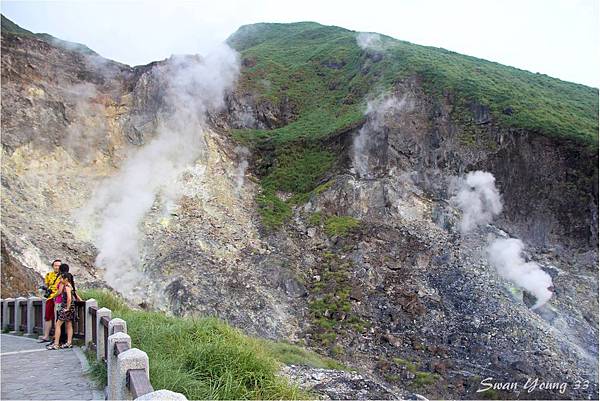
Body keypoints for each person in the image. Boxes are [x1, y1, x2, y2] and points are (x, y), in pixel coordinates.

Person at [47, 272, 78, 350]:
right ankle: (69, 342)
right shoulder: (70, 286)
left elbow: (69, 298)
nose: (60, 280)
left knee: (58, 325)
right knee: (69, 324)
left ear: (66, 279)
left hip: (66, 308)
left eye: (61, 278)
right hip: (71, 308)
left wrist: (67, 308)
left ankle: (56, 344)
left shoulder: (67, 287)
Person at [37, 259, 61, 343]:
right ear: (53, 266)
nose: (57, 267)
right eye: (55, 265)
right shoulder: (48, 275)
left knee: (57, 317)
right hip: (50, 298)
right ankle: (46, 336)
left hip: (59, 298)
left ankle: (56, 337)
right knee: (48, 317)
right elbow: (47, 286)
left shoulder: (63, 276)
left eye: (59, 265)